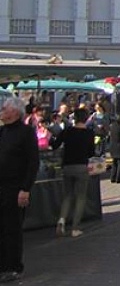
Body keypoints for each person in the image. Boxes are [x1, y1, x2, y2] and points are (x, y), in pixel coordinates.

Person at [0, 96, 38, 282]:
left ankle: (13, 266)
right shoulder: (2, 131)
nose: (1, 111)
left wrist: (25, 188)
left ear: (14, 111)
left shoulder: (26, 132)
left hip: (15, 187)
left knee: (12, 228)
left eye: (4, 108)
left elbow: (33, 161)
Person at [49, 107, 95, 238]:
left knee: (67, 195)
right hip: (81, 166)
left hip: (67, 166)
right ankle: (75, 228)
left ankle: (61, 220)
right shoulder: (89, 133)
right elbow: (91, 152)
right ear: (86, 119)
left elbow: (55, 145)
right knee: (80, 197)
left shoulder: (67, 131)